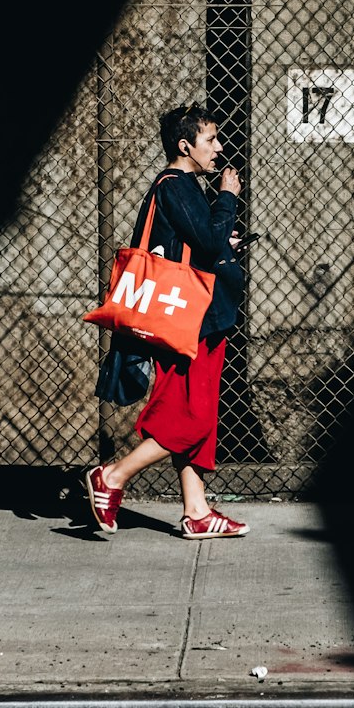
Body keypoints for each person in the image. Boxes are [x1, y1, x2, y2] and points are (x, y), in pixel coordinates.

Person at [85, 103, 250, 540]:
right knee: (190, 418)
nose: (217, 148)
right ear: (185, 145)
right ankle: (114, 476)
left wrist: (220, 234)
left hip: (203, 318)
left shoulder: (184, 187)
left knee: (197, 415)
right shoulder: (176, 185)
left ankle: (196, 511)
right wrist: (229, 197)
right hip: (190, 322)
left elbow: (198, 243)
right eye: (210, 140)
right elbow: (210, 239)